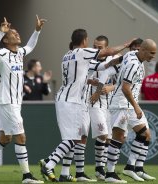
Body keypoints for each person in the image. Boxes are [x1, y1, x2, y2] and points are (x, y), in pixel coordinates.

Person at [39, 28, 132, 182]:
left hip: (66, 98)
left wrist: (117, 61)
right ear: (84, 41)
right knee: (73, 139)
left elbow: (100, 67)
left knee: (73, 138)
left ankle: (64, 173)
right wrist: (126, 44)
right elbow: (107, 52)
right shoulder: (82, 52)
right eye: (88, 41)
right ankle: (49, 163)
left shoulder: (67, 55)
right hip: (72, 101)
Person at [0, 16, 46, 184]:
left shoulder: (19, 53)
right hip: (7, 101)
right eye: (14, 33)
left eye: (17, 32)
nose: (17, 35)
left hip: (15, 103)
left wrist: (37, 30)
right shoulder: (2, 53)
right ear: (6, 39)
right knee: (21, 137)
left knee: (5, 138)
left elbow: (30, 46)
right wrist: (0, 32)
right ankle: (27, 176)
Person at [91, 39, 158, 183]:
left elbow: (120, 58)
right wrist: (136, 106)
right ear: (143, 50)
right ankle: (110, 173)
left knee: (146, 134)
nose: (153, 56)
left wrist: (107, 65)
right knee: (118, 138)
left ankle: (134, 168)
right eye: (152, 53)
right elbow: (125, 88)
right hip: (121, 104)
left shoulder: (133, 54)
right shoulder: (133, 65)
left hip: (129, 103)